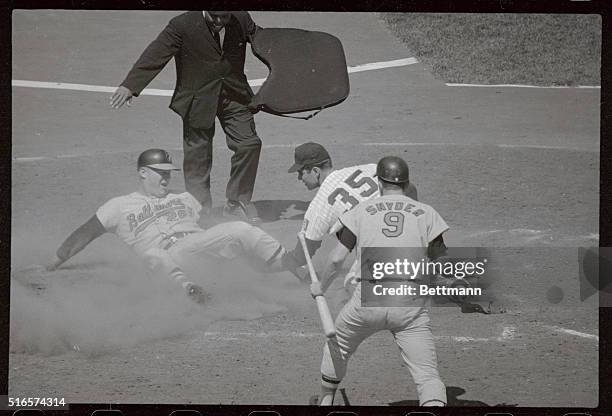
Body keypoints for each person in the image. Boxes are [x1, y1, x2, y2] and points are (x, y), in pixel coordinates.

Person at [44, 149, 294, 304]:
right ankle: (190, 293)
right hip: (164, 260)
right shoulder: (118, 206)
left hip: (198, 251)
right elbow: (84, 235)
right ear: (142, 172)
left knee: (240, 228)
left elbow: (211, 228)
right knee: (153, 254)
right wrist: (51, 264)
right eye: (159, 172)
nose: (166, 178)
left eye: (169, 173)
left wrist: (233, 241)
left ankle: (295, 266)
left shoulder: (183, 198)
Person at [309, 156, 448, 406]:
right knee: (427, 376)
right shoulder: (428, 213)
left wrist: (321, 286)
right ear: (406, 184)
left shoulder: (360, 212)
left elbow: (337, 259)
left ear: (379, 183)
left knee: (338, 342)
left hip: (368, 300)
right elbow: (442, 264)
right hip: (410, 305)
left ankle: (325, 399)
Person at [110, 11, 263, 223]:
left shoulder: (241, 18)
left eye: (224, 17)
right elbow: (156, 54)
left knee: (249, 144)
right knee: (197, 158)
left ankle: (237, 202)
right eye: (214, 16)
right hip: (198, 99)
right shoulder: (182, 24)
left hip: (234, 96)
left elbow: (264, 42)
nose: (219, 22)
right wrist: (130, 85)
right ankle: (200, 210)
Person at [280, 142, 418, 285]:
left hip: (379, 252)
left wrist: (279, 262)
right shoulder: (368, 168)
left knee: (350, 286)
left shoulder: (319, 204)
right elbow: (410, 188)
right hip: (411, 237)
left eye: (300, 172)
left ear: (315, 171)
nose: (299, 178)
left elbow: (304, 254)